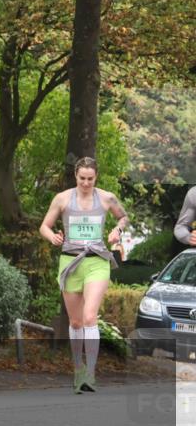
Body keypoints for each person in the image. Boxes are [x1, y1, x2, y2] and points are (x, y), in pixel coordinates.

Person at [39, 157, 129, 394]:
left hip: (97, 262)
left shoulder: (107, 198)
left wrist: (116, 231)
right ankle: (78, 369)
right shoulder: (62, 199)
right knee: (76, 321)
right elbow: (44, 226)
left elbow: (124, 216)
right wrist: (53, 238)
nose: (86, 183)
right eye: (82, 178)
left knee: (90, 317)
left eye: (90, 179)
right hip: (70, 262)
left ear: (95, 177)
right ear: (75, 176)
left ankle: (90, 373)